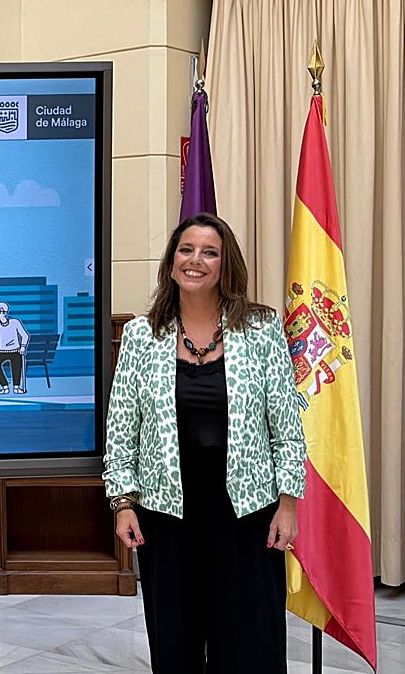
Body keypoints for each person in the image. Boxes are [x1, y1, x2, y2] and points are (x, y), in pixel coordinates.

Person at [103, 213, 305, 673]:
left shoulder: (261, 330)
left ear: (225, 264)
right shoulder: (140, 336)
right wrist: (123, 504)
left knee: (251, 646)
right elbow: (121, 429)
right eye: (186, 249)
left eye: (209, 252)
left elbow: (287, 427)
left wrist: (289, 505)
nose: (195, 260)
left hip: (248, 515)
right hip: (165, 518)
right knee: (176, 647)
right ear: (172, 261)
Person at [0, 301, 29, 395]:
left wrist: (23, 347)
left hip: (15, 350)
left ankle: (16, 387)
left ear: (4, 312)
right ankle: (5, 387)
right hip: (2, 351)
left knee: (17, 363)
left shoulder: (15, 322)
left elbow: (25, 336)